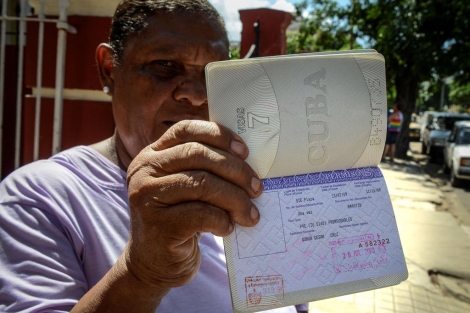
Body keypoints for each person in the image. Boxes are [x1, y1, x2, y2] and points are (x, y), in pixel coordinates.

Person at [0, 1, 308, 312]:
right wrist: (143, 274)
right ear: (109, 70)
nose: (196, 94)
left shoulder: (254, 186)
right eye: (165, 65)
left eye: (210, 72)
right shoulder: (39, 198)